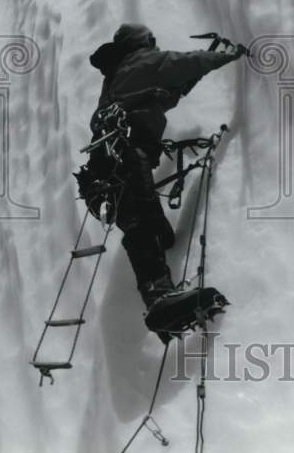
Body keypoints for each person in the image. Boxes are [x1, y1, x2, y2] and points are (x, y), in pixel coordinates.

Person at [88, 23, 245, 321]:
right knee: (141, 224)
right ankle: (159, 297)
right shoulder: (141, 61)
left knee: (146, 223)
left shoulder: (116, 76)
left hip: (103, 165)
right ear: (141, 41)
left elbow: (165, 92)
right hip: (126, 153)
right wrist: (228, 56)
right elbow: (182, 64)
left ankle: (161, 274)